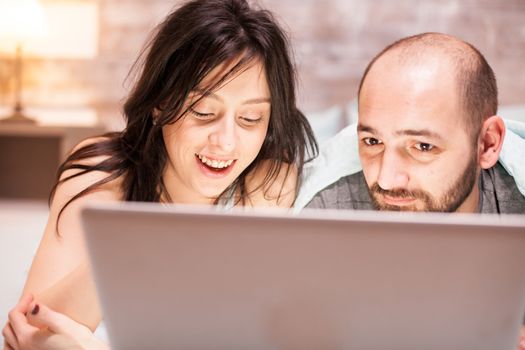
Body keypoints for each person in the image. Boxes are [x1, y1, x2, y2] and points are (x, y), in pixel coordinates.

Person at [2, 0, 317, 348]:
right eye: (203, 111)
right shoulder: (102, 174)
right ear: (160, 103)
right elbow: (27, 334)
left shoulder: (269, 184)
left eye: (250, 119)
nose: (225, 143)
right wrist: (127, 243)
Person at [303, 32, 525, 214]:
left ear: (487, 144)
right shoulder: (328, 208)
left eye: (423, 146)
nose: (386, 180)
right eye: (372, 141)